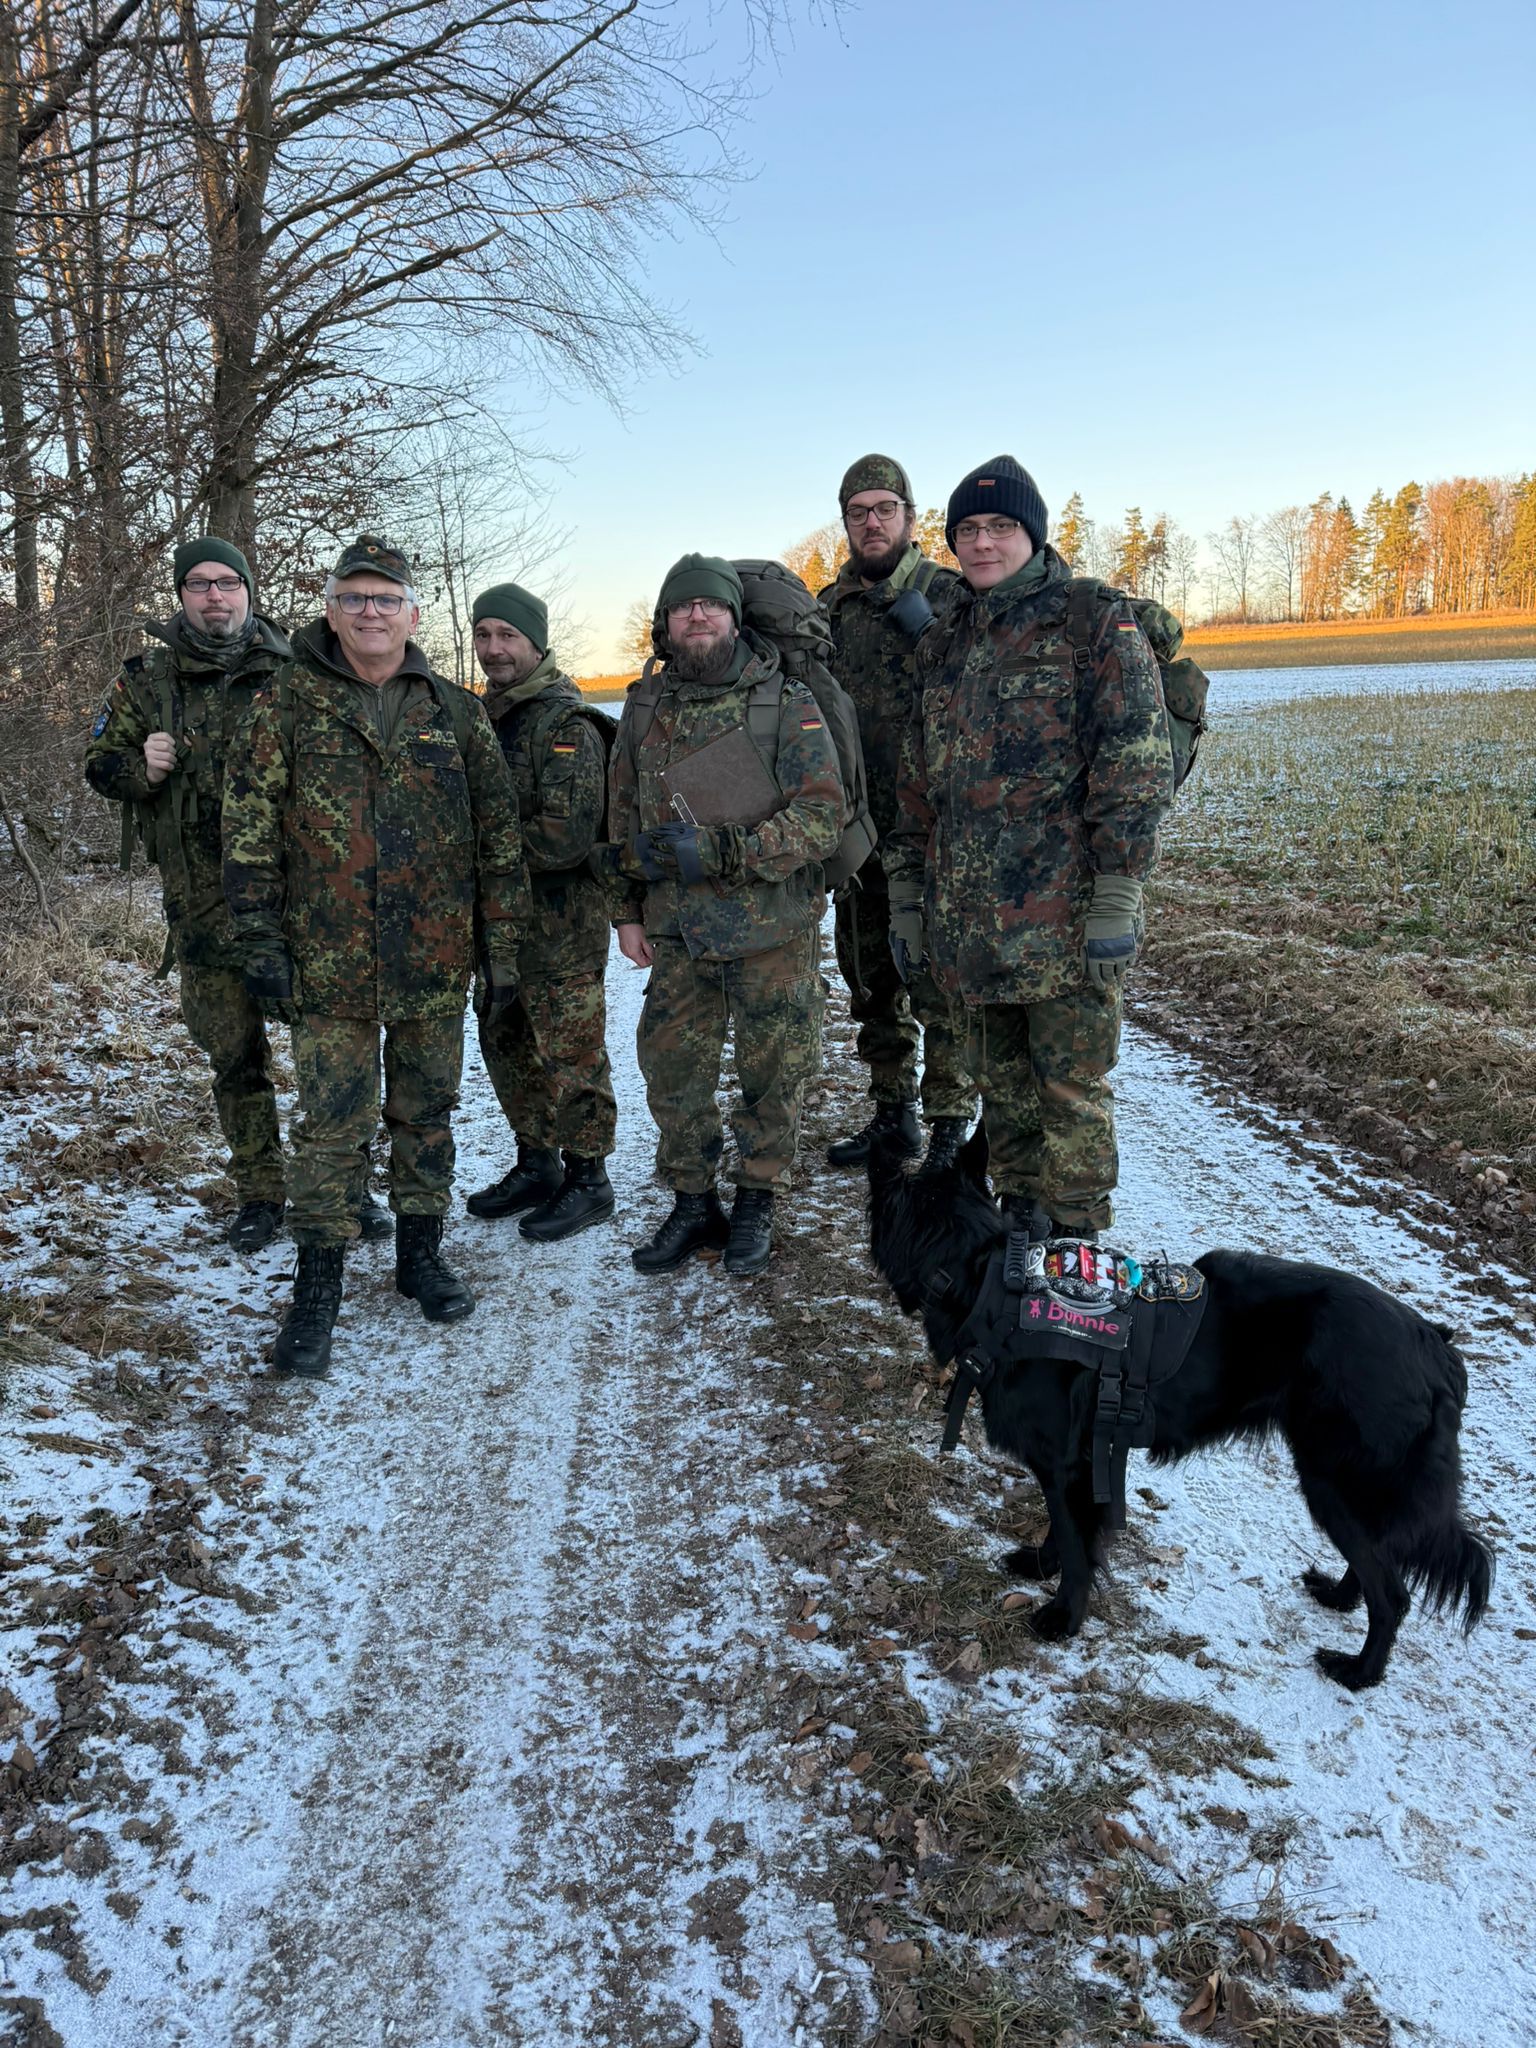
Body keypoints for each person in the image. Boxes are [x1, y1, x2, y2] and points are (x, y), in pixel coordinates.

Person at [222, 536, 528, 1375]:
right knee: (331, 1130)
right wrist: (260, 941)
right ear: (330, 610)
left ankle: (419, 1257)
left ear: (412, 615)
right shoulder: (284, 702)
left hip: (433, 959)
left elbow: (498, 841)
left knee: (426, 1116)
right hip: (328, 964)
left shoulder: (454, 713)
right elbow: (247, 834)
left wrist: (502, 948)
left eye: (386, 599)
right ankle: (317, 1285)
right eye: (354, 598)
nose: (370, 612)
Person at [885, 458, 1173, 1238]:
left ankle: (1076, 1244)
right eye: (968, 530)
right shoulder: (943, 644)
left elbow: (1136, 763)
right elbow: (917, 784)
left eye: (1002, 527)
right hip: (969, 922)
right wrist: (908, 897)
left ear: (1034, 535)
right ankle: (1021, 1222)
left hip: (1065, 920)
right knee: (1001, 1088)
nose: (983, 543)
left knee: (1070, 1092)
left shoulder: (1090, 621)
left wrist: (1117, 894)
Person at [82, 540, 385, 1252]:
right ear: (181, 595)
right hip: (203, 907)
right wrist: (140, 767)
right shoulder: (146, 682)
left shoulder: (300, 670)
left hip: (304, 906)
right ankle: (260, 1192)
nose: (214, 596)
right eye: (198, 584)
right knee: (235, 1059)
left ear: (249, 590)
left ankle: (345, 1187)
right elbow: (99, 764)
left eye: (227, 582)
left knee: (333, 1060)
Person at [609, 553, 844, 1277]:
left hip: (773, 930)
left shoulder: (784, 702)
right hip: (679, 931)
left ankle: (757, 1198)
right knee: (672, 1070)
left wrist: (722, 850)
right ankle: (692, 1201)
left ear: (735, 619)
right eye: (683, 607)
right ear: (666, 623)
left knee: (774, 1071)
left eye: (711, 605)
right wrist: (625, 911)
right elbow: (620, 815)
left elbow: (822, 817)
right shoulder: (645, 708)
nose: (698, 616)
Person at [818, 455, 973, 1173]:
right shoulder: (829, 611)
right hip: (857, 832)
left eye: (885, 509)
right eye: (858, 513)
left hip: (933, 831)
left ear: (910, 517)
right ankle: (893, 1116)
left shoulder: (949, 593)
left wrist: (933, 633)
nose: (872, 523)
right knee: (870, 980)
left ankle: (949, 1131)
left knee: (939, 987)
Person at [462, 581, 617, 1241]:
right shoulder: (480, 718)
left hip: (560, 927)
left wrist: (467, 848)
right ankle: (537, 1162)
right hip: (497, 928)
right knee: (506, 1043)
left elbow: (565, 835)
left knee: (571, 1053)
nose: (494, 648)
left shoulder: (567, 724)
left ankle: (589, 1178)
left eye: (508, 635)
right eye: (484, 634)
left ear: (537, 643)